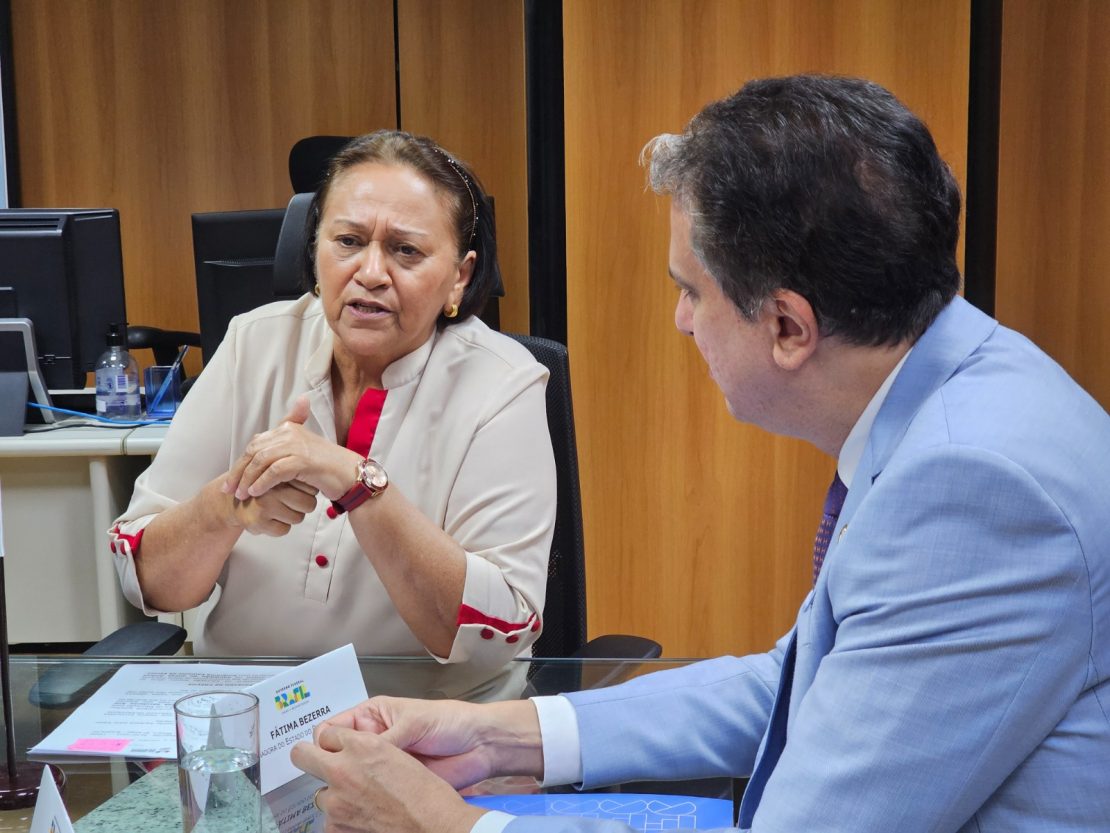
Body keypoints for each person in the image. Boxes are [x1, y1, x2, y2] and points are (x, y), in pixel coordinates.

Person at [289, 76, 1110, 832]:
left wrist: (449, 822)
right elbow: (798, 685)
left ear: (788, 327)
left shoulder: (975, 484)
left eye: (692, 290)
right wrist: (500, 734)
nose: (683, 321)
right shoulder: (957, 392)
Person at [109, 131, 556, 679]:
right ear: (315, 248)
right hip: (242, 714)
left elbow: (495, 636)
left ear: (459, 277)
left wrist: (356, 483)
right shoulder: (254, 343)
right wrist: (223, 509)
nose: (370, 272)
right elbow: (148, 582)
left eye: (406, 250)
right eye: (347, 241)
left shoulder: (502, 385)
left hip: (423, 727)